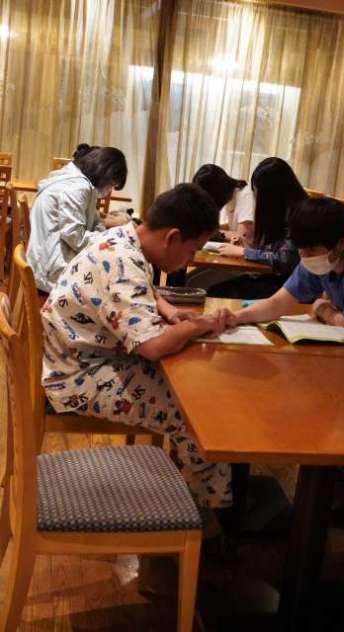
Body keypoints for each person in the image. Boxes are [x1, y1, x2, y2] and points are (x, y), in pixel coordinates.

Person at [41, 183, 232, 509]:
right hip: (76, 376)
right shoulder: (123, 264)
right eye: (192, 250)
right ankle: (206, 512)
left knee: (191, 389)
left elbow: (144, 291)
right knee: (196, 411)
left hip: (71, 357)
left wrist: (169, 311)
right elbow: (152, 346)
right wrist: (197, 325)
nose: (191, 259)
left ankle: (196, 489)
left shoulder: (123, 239)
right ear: (172, 237)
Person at [225, 196, 344, 365]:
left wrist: (322, 308)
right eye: (300, 249)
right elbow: (278, 303)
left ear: (341, 243)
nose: (304, 256)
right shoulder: (319, 261)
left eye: (311, 249)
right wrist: (234, 318)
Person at [27, 143, 128, 293]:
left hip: (47, 258)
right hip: (51, 270)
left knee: (114, 272)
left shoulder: (76, 180)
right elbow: (75, 237)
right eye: (111, 185)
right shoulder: (77, 188)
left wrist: (104, 234)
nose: (109, 190)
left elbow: (95, 221)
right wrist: (110, 239)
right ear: (105, 175)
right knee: (115, 280)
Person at [207, 157, 308, 299]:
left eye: (258, 193)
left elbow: (284, 259)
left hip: (291, 286)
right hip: (278, 279)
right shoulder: (283, 212)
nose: (256, 198)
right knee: (216, 290)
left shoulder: (300, 215)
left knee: (218, 292)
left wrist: (243, 252)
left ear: (271, 194)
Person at [192, 163, 254, 245]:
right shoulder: (232, 195)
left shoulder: (246, 195)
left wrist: (214, 234)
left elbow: (243, 238)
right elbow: (233, 227)